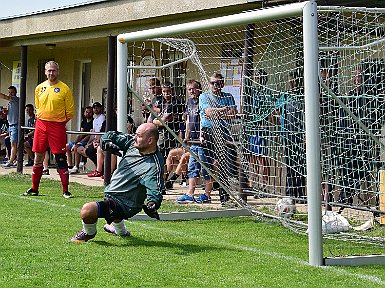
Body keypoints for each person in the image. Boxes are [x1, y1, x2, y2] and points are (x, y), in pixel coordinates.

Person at [70, 123, 164, 242]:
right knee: (112, 212)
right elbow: (109, 135)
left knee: (87, 210)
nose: (135, 137)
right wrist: (105, 143)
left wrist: (153, 203)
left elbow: (155, 186)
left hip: (126, 204)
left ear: (150, 140)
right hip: (112, 195)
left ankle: (88, 233)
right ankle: (120, 230)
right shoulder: (132, 143)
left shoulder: (153, 164)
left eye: (139, 136)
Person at [22, 61, 75, 198]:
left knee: (60, 158)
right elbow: (38, 106)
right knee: (38, 156)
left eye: (54, 70)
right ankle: (34, 188)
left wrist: (59, 121)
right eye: (49, 71)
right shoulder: (39, 88)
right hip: (41, 124)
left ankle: (65, 190)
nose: (51, 73)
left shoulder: (64, 89)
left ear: (58, 71)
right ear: (45, 72)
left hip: (57, 125)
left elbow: (70, 111)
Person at [199, 73, 237, 205]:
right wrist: (223, 110)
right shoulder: (203, 96)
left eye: (219, 83)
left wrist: (217, 113)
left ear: (223, 84)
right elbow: (208, 113)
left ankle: (224, 198)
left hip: (223, 131)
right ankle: (206, 194)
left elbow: (233, 113)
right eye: (213, 83)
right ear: (209, 84)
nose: (216, 85)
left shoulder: (228, 96)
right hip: (208, 131)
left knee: (224, 164)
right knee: (207, 165)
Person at [176, 80, 214, 203]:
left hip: (203, 141)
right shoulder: (190, 102)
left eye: (194, 88)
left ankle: (207, 195)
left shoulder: (204, 100)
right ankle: (190, 194)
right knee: (192, 167)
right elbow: (188, 120)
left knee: (206, 168)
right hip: (193, 141)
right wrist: (186, 136)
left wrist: (203, 135)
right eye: (189, 89)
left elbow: (205, 119)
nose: (192, 91)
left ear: (199, 89)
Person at [280, 71, 306, 200]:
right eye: (289, 81)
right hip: (287, 135)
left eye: (293, 81)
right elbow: (277, 111)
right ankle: (290, 193)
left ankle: (300, 193)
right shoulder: (285, 97)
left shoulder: (304, 97)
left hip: (300, 136)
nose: (291, 84)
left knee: (301, 165)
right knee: (290, 165)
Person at [67, 106, 94, 173]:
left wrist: (79, 143)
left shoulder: (93, 122)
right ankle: (70, 165)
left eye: (90, 112)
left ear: (92, 113)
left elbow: (89, 135)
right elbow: (81, 134)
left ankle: (76, 167)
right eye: (86, 112)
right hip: (81, 141)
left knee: (77, 147)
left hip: (87, 142)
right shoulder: (83, 122)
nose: (88, 114)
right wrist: (76, 142)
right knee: (67, 146)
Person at [0, 86, 19, 167]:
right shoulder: (10, 102)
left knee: (13, 144)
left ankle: (11, 161)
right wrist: (5, 112)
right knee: (13, 144)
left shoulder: (16, 99)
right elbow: (7, 113)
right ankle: (16, 160)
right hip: (10, 125)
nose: (10, 94)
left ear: (15, 93)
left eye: (12, 92)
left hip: (15, 125)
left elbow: (5, 97)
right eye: (9, 92)